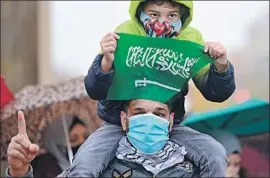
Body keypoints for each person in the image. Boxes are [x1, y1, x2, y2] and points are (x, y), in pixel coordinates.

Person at [61, 0, 235, 176]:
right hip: (119, 124)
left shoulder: (190, 39)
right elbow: (94, 90)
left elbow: (216, 93)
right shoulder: (125, 33)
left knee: (215, 154)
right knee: (84, 164)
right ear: (140, 11)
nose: (162, 22)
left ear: (183, 15)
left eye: (172, 15)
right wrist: (106, 62)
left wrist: (221, 66)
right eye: (154, 14)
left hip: (167, 125)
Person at [6, 100, 227, 177]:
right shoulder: (97, 166)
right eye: (139, 112)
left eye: (158, 114)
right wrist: (19, 172)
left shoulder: (193, 168)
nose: (149, 121)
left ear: (170, 121)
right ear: (124, 119)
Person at [5, 112, 88, 178]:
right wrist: (17, 174)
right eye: (73, 139)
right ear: (55, 141)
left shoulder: (93, 163)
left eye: (85, 136)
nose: (82, 143)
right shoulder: (43, 167)